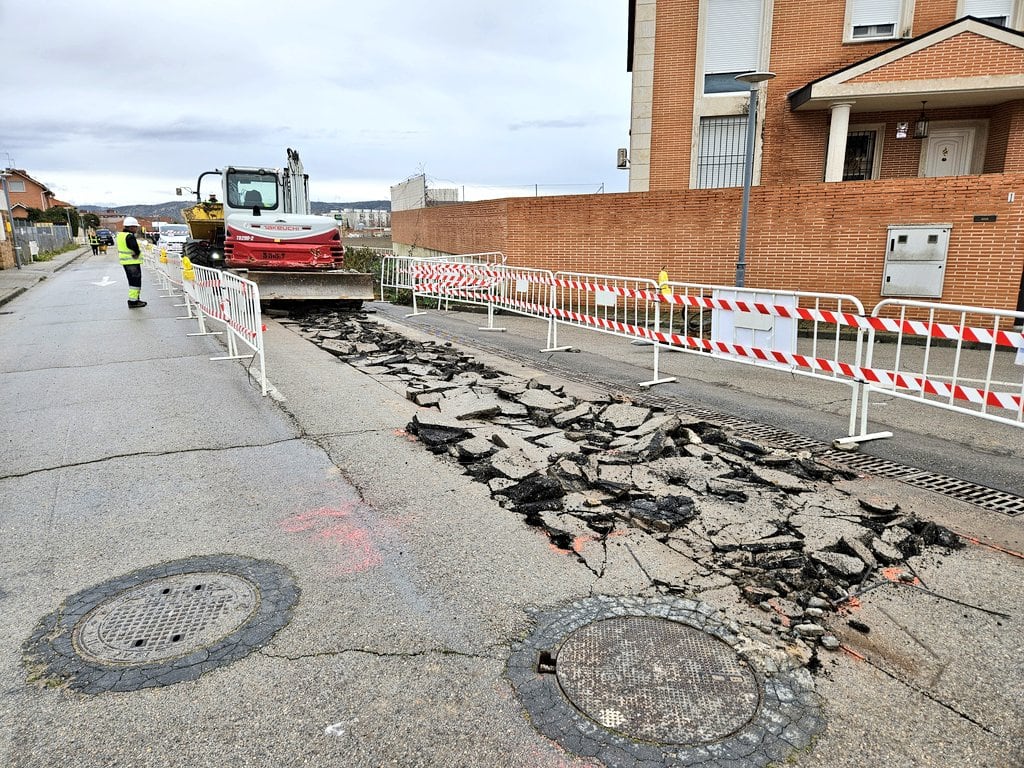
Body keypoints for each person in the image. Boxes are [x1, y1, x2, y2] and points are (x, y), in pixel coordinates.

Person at [117, 216, 147, 309]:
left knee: (132, 282)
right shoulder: (129, 236)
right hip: (132, 262)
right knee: (135, 282)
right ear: (130, 227)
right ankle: (133, 302)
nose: (136, 228)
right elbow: (134, 247)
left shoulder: (120, 235)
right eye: (135, 227)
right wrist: (137, 253)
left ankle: (135, 299)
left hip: (126, 263)